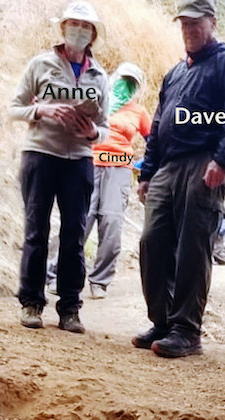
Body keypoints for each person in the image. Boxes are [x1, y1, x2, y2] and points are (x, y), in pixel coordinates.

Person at [130, 0, 225, 359]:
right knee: (153, 240)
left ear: (212, 22)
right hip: (168, 164)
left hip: (205, 162)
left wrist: (223, 160)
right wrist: (147, 172)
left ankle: (186, 330)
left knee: (193, 245)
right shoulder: (175, 73)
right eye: (184, 23)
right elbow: (158, 125)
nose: (189, 29)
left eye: (196, 23)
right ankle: (162, 321)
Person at [7, 2, 111, 333]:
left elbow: (106, 126)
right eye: (73, 24)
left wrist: (92, 132)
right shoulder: (41, 65)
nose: (78, 30)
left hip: (79, 159)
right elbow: (14, 107)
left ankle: (69, 308)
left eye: (85, 26)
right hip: (40, 154)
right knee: (36, 229)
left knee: (74, 234)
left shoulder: (99, 75)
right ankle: (31, 303)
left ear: (93, 34)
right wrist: (43, 112)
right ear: (63, 27)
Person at [46, 61, 151, 300]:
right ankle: (55, 274)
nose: (125, 85)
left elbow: (153, 139)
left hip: (119, 170)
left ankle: (99, 280)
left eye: (131, 83)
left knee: (112, 225)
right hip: (89, 164)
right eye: (123, 80)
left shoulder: (139, 112)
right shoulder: (96, 101)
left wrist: (145, 164)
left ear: (137, 88)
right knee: (78, 220)